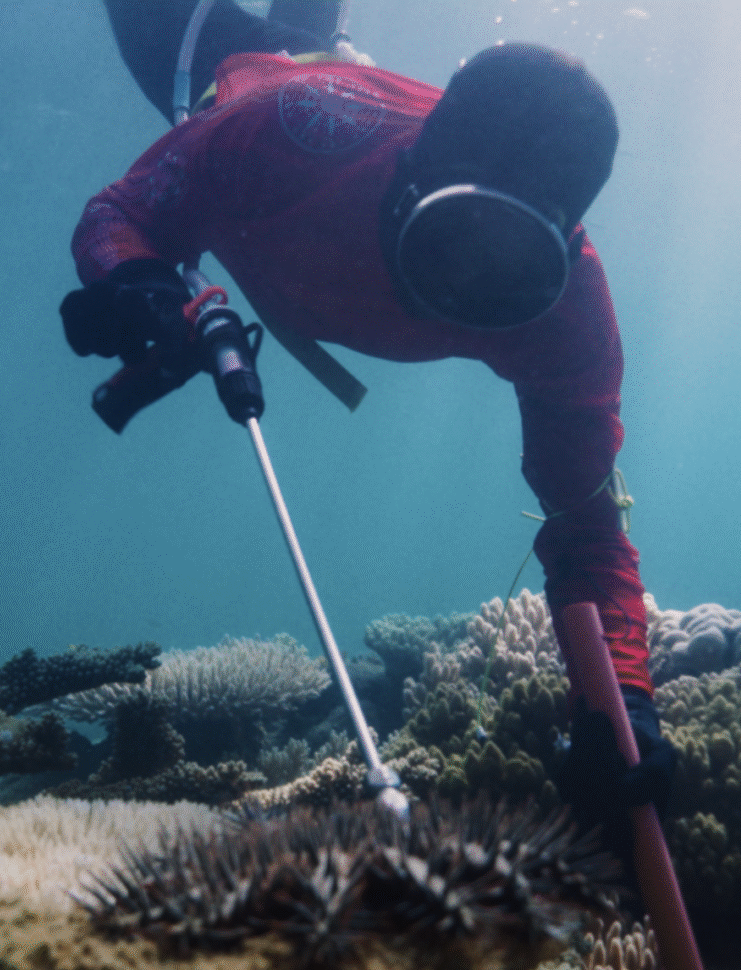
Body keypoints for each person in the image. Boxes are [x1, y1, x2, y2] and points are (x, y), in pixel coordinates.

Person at [57, 0, 674, 857]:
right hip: (247, 73)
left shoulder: (567, 312)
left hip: (321, 73)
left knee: (308, 45)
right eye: (455, 238)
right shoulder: (276, 135)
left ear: (564, 251)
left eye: (515, 268)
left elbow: (589, 530)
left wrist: (622, 705)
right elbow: (122, 212)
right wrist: (147, 289)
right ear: (410, 180)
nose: (467, 289)